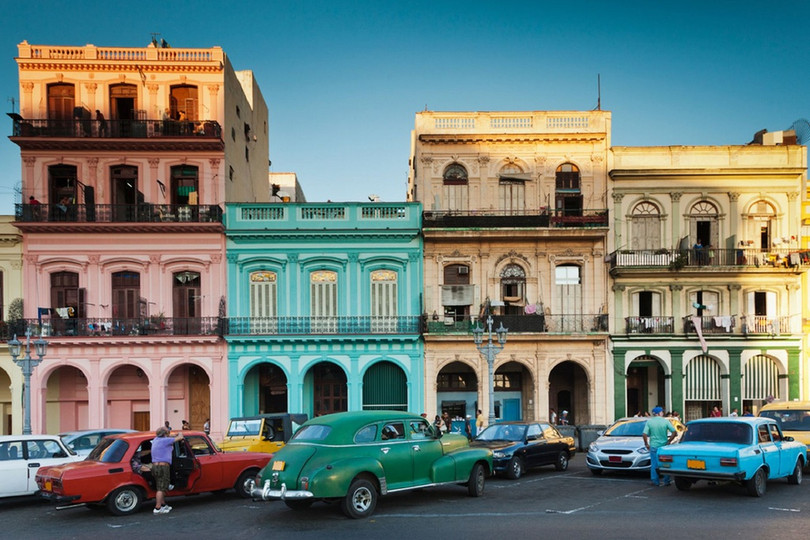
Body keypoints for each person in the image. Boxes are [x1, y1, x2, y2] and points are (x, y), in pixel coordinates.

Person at [151, 426, 184, 514]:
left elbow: (170, 438)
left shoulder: (156, 440)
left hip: (155, 466)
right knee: (161, 488)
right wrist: (179, 433)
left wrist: (172, 435)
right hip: (163, 466)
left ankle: (163, 504)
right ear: (165, 434)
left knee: (161, 485)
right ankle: (158, 508)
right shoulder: (165, 441)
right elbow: (180, 437)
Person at [642, 406, 677, 487]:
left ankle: (655, 481)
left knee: (654, 464)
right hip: (664, 446)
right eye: (662, 412)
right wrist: (669, 441)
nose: (663, 413)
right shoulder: (665, 421)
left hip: (653, 446)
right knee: (665, 463)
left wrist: (646, 444)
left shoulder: (649, 422)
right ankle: (666, 481)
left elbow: (644, 434)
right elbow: (674, 432)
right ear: (659, 413)